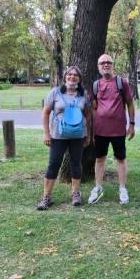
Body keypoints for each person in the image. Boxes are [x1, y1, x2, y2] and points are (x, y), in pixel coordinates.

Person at [37, 66, 90, 210]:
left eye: (75, 75)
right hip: (57, 136)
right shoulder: (55, 93)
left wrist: (88, 134)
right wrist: (46, 133)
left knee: (76, 164)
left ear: (79, 79)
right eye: (69, 74)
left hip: (78, 136)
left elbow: (87, 115)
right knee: (53, 164)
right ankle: (46, 197)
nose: (72, 77)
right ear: (65, 77)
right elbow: (45, 113)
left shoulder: (83, 94)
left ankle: (75, 193)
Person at [88, 54, 135, 205]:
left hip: (118, 130)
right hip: (100, 130)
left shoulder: (122, 83)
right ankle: (98, 188)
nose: (106, 65)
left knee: (120, 159)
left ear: (113, 65)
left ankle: (122, 188)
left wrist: (132, 124)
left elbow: (130, 104)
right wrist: (93, 127)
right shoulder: (96, 85)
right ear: (98, 66)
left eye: (108, 62)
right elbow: (94, 107)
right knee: (99, 159)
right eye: (102, 63)